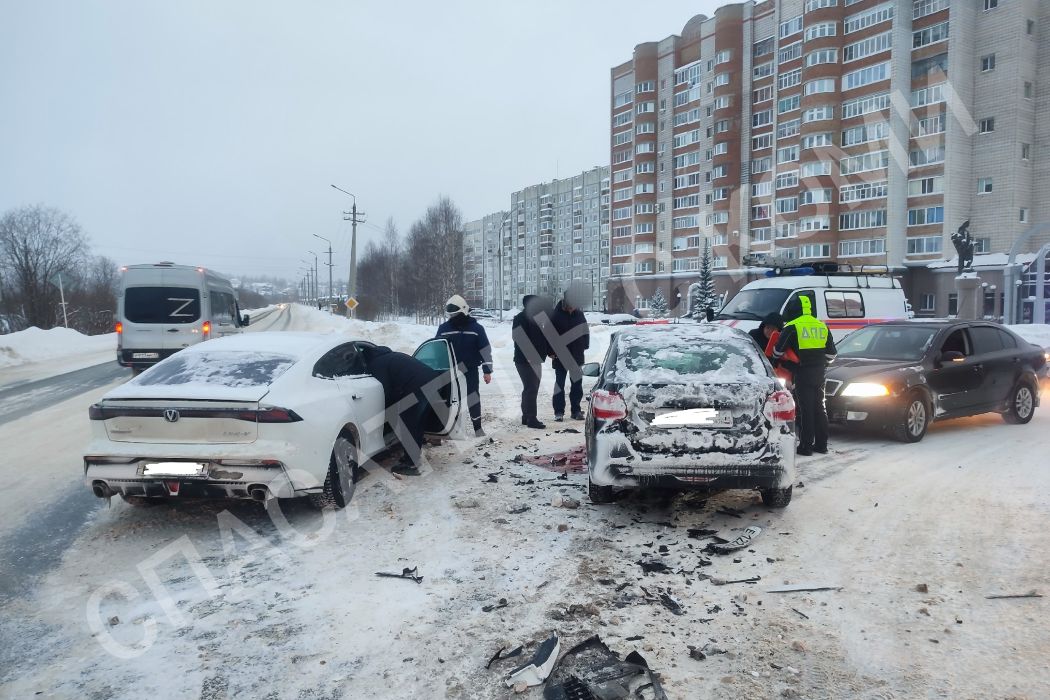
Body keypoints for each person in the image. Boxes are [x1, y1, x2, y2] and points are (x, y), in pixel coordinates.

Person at [358, 344, 442, 476]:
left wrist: (384, 410)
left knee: (407, 424)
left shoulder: (376, 364)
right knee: (417, 423)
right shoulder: (391, 356)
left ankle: (411, 464)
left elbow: (384, 390)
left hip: (418, 386)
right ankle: (412, 458)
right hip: (432, 380)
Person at [772, 296, 837, 456]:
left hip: (802, 373)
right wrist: (819, 363)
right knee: (819, 408)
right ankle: (822, 445)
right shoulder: (821, 325)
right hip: (820, 372)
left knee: (806, 409)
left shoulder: (793, 326)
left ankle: (806, 446)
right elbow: (832, 354)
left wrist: (790, 362)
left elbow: (777, 352)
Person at [436, 295, 493, 437]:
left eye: (456, 313)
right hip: (450, 371)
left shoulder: (477, 328)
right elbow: (438, 350)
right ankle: (448, 429)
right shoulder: (443, 328)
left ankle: (477, 428)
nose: (454, 317)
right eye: (452, 314)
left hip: (470, 370)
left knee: (473, 398)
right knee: (450, 400)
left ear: (464, 311)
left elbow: (485, 350)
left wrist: (487, 371)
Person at [549, 290, 590, 421]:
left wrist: (584, 346)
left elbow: (585, 331)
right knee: (559, 384)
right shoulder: (555, 315)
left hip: (576, 355)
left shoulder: (579, 314)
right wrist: (550, 351)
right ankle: (559, 412)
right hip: (560, 355)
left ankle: (576, 410)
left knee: (577, 385)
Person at [512, 295, 551, 429]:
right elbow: (518, 337)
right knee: (531, 388)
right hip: (525, 360)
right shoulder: (520, 318)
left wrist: (549, 352)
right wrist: (529, 355)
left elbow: (543, 338)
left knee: (529, 388)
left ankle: (526, 416)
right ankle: (531, 418)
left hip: (535, 359)